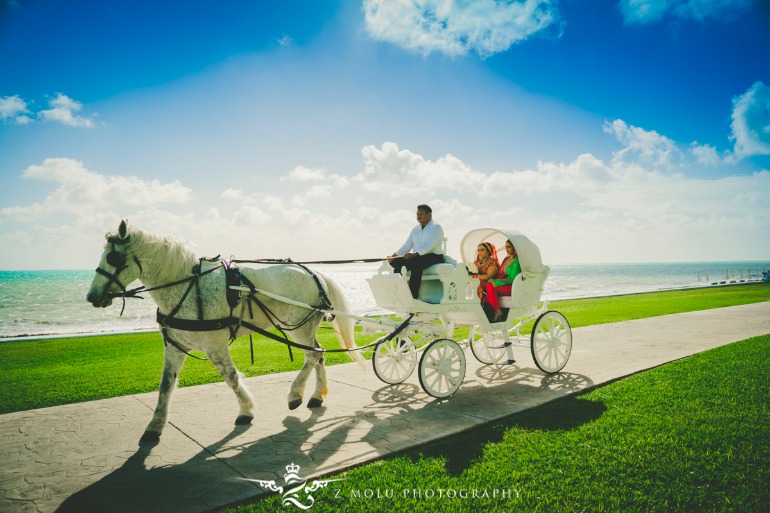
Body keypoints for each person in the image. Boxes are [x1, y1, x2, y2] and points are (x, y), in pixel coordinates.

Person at [387, 204, 445, 299]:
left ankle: (413, 296)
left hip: (435, 256)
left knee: (416, 262)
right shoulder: (415, 229)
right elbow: (407, 245)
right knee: (395, 262)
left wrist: (415, 254)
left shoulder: (436, 227)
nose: (418, 216)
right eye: (417, 214)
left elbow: (430, 246)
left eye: (421, 214)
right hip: (417, 257)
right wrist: (394, 255)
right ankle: (399, 293)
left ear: (429, 214)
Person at [483, 239, 521, 321]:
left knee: (490, 286)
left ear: (515, 247)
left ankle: (496, 311)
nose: (507, 249)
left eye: (509, 247)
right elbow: (501, 274)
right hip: (504, 284)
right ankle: (494, 311)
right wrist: (493, 279)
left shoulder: (517, 261)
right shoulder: (506, 259)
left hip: (513, 286)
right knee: (488, 284)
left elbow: (513, 279)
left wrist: (497, 282)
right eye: (505, 247)